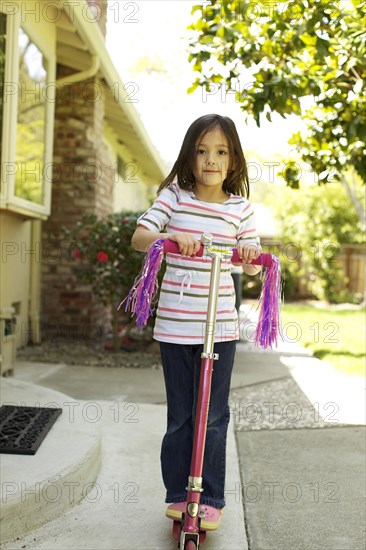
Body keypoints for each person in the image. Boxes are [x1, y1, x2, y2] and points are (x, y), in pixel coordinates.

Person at [131, 114, 261, 512]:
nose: (210, 160)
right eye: (202, 151)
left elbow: (252, 263)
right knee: (182, 417)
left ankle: (211, 499)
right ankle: (177, 495)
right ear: (189, 158)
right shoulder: (175, 197)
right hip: (176, 325)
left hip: (219, 326)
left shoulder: (241, 208)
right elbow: (140, 237)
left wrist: (253, 256)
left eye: (221, 152)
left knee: (215, 416)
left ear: (233, 160)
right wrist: (170, 236)